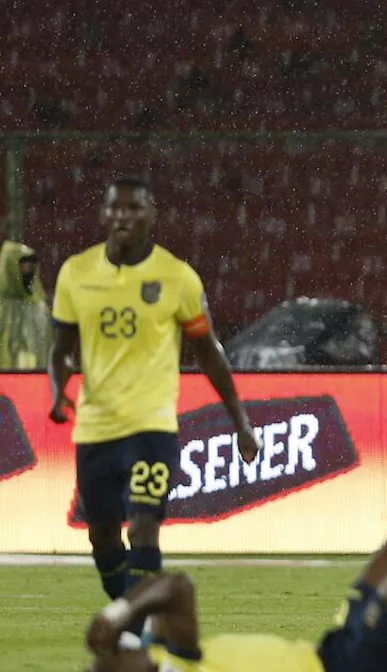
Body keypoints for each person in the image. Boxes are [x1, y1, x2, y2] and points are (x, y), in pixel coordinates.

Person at [48, 177, 262, 634]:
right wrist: (57, 387)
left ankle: (137, 637)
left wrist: (240, 421)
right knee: (102, 537)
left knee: (143, 527)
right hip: (95, 429)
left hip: (152, 426)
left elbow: (208, 351)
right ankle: (139, 625)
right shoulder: (75, 273)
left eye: (134, 208)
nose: (124, 216)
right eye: (115, 208)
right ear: (104, 215)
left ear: (152, 216)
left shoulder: (178, 277)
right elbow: (61, 348)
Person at [84, 533, 387, 672]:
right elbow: (174, 588)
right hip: (346, 668)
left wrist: (117, 613)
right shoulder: (174, 659)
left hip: (329, 650)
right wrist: (120, 617)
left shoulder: (166, 650)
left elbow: (176, 585)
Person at [0, 229, 51, 370]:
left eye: (30, 265)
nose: (27, 270)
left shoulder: (39, 307)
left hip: (32, 380)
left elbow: (46, 346)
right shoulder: (3, 307)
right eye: (22, 265)